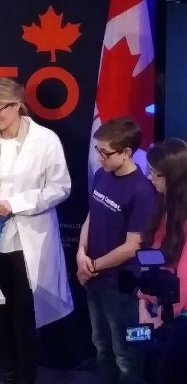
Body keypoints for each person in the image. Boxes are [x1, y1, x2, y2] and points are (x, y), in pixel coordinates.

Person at [0, 77, 72, 384]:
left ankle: (26, 378)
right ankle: (7, 374)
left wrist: (17, 202)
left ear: (18, 105)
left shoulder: (45, 140)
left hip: (27, 240)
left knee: (24, 317)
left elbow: (60, 187)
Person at [76, 117, 155, 384]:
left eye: (106, 153)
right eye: (97, 151)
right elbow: (92, 215)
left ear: (126, 153)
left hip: (121, 286)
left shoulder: (142, 191)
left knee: (127, 353)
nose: (100, 158)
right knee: (101, 346)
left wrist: (93, 265)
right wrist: (80, 253)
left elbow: (132, 247)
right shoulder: (102, 175)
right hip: (94, 278)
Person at [139, 138, 187, 384]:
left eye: (155, 174)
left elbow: (183, 278)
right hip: (157, 312)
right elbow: (151, 259)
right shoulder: (162, 208)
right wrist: (143, 304)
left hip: (177, 322)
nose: (149, 178)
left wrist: (163, 317)